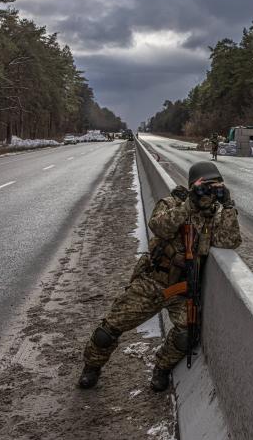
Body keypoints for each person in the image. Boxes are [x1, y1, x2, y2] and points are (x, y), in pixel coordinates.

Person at [78, 161, 242, 391]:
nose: (209, 191)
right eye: (205, 185)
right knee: (110, 329)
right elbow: (159, 226)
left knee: (186, 336)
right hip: (153, 281)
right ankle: (91, 367)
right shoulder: (173, 203)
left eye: (216, 186)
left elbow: (229, 240)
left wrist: (228, 206)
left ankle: (161, 368)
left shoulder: (214, 217)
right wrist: (189, 205)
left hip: (182, 289)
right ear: (193, 185)